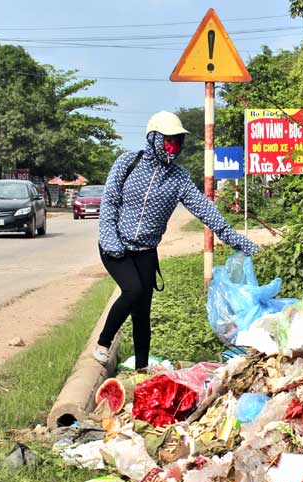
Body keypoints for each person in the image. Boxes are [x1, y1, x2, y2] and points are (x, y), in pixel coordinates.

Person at [93, 111, 258, 369]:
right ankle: (103, 343)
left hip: (146, 251)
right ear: (154, 139)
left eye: (178, 142)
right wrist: (110, 240)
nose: (173, 147)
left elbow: (205, 209)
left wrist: (234, 238)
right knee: (133, 290)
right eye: (168, 141)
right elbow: (110, 201)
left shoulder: (178, 178)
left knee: (142, 311)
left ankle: (142, 367)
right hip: (116, 246)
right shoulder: (128, 162)